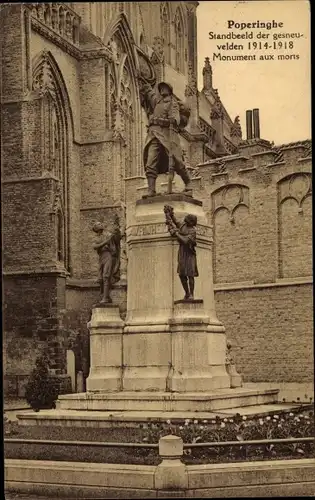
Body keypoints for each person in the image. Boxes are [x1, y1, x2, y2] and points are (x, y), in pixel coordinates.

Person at [140, 80, 192, 197]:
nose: (162, 90)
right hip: (154, 135)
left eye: (165, 88)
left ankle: (188, 183)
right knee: (150, 162)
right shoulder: (157, 102)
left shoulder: (172, 103)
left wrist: (166, 120)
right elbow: (150, 96)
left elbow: (176, 120)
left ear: (169, 91)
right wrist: (146, 86)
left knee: (177, 161)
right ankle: (151, 190)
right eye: (161, 88)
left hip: (167, 136)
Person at [164, 206, 199, 300]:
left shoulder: (192, 231)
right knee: (181, 274)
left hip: (189, 254)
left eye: (187, 219)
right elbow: (177, 222)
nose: (185, 220)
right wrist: (171, 214)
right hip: (182, 252)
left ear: (191, 222)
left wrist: (176, 233)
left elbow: (185, 241)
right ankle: (186, 293)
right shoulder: (184, 225)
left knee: (190, 275)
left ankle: (191, 294)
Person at [92, 220, 121, 304]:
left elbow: (115, 240)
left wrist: (116, 232)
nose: (100, 225)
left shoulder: (107, 235)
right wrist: (105, 242)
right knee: (100, 279)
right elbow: (95, 246)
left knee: (106, 276)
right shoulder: (96, 238)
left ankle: (105, 298)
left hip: (108, 255)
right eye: (98, 224)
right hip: (101, 257)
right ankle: (105, 296)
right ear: (95, 228)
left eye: (100, 224)